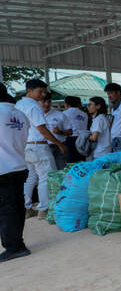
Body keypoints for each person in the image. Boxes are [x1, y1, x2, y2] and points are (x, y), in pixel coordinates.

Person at [16, 79, 67, 219]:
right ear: (29, 90)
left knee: (31, 178)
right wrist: (59, 143)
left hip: (26, 146)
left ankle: (27, 208)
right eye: (40, 91)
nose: (43, 94)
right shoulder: (33, 106)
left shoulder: (19, 104)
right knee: (46, 177)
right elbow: (42, 129)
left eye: (44, 92)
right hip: (38, 145)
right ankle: (44, 209)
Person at [0, 84, 30, 262]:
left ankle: (14, 247)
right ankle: (17, 243)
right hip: (19, 166)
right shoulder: (20, 115)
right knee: (17, 207)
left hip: (2, 169)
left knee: (6, 210)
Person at [41, 96, 72, 170]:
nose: (47, 104)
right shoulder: (34, 115)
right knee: (47, 171)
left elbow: (70, 132)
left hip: (60, 147)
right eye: (44, 102)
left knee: (62, 170)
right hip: (43, 147)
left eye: (49, 102)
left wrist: (60, 132)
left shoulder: (60, 114)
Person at [62, 96, 88, 163]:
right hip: (83, 139)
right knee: (81, 161)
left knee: (71, 162)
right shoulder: (84, 114)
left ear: (67, 104)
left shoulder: (64, 113)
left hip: (70, 139)